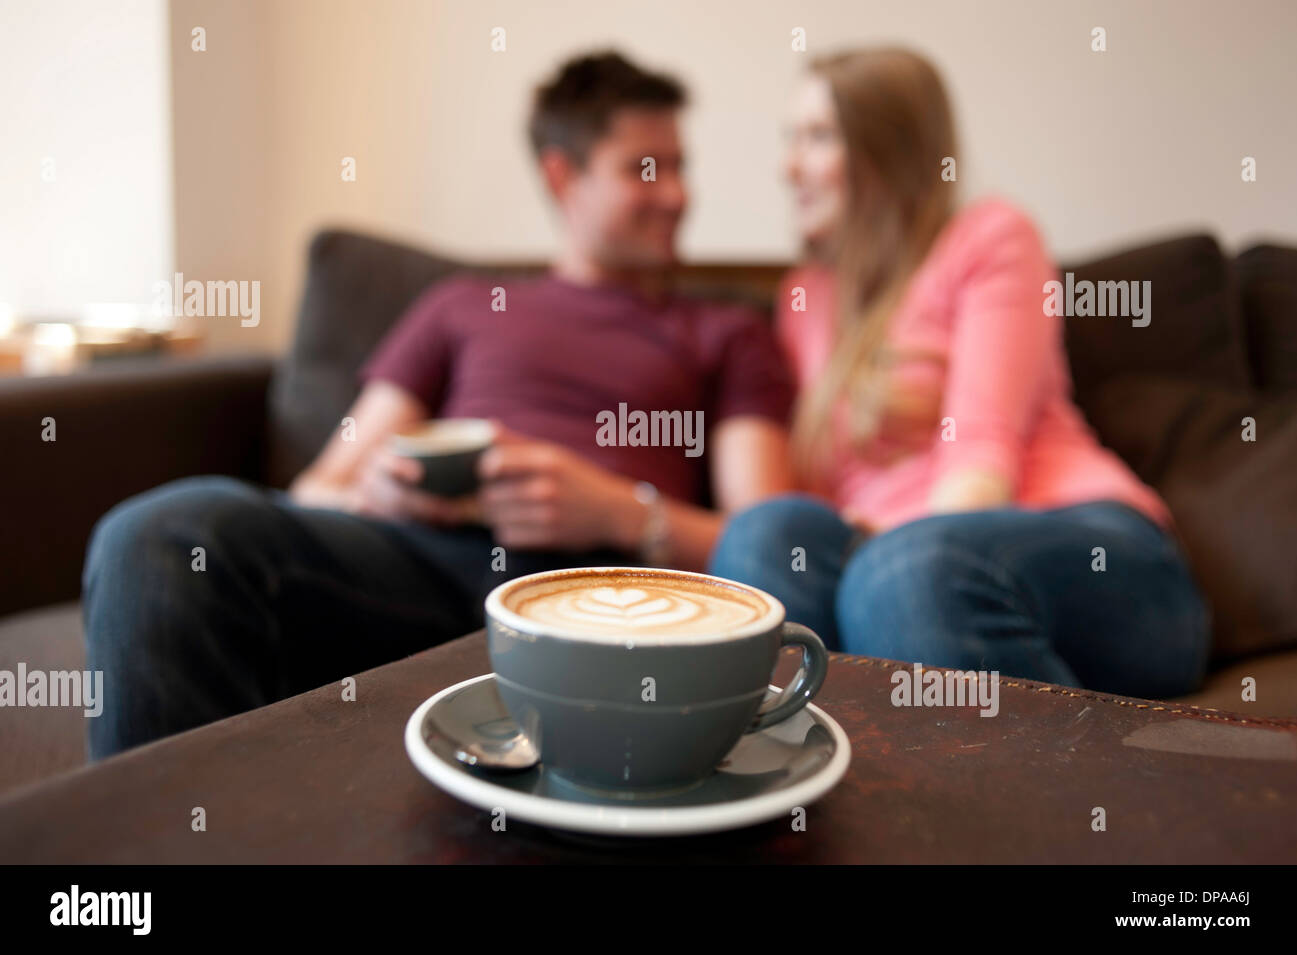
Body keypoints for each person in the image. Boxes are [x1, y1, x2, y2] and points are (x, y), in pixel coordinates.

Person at [83, 51, 795, 759]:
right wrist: (382, 492)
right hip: (419, 568)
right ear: (561, 175)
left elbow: (769, 547)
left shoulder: (725, 331)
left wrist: (621, 512)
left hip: (603, 591)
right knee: (160, 532)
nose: (675, 194)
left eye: (681, 166)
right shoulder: (461, 306)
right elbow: (318, 488)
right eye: (646, 169)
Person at [708, 48, 1211, 699]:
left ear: (889, 151)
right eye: (790, 139)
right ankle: (814, 771)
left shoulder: (990, 237)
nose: (789, 166)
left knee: (907, 573)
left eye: (818, 137)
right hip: (889, 572)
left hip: (1086, 553)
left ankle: (1075, 794)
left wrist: (887, 555)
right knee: (763, 535)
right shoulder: (806, 297)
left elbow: (981, 450)